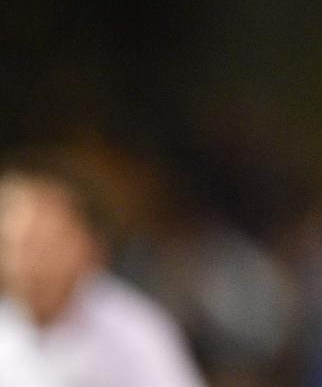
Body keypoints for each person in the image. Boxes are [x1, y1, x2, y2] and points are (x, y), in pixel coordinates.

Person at [0, 154, 207, 387]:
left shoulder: (135, 333)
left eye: (44, 244)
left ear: (90, 247)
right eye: (14, 244)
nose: (29, 262)